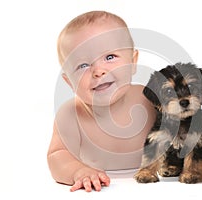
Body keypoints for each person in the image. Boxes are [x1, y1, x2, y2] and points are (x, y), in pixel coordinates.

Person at [47, 11, 156, 192]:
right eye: (83, 66)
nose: (98, 71)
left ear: (133, 62)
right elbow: (57, 156)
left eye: (110, 57)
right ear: (69, 82)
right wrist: (78, 171)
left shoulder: (150, 99)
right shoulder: (70, 115)